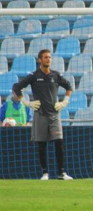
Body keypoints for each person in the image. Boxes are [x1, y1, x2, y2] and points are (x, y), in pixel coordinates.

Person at [12, 49, 73, 180]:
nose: (48, 59)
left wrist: (64, 102)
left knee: (59, 142)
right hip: (40, 114)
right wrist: (26, 102)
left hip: (54, 115)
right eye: (45, 57)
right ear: (40, 60)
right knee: (41, 144)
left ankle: (61, 173)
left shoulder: (56, 75)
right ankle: (45, 173)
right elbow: (16, 87)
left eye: (50, 57)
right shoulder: (34, 76)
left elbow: (69, 87)